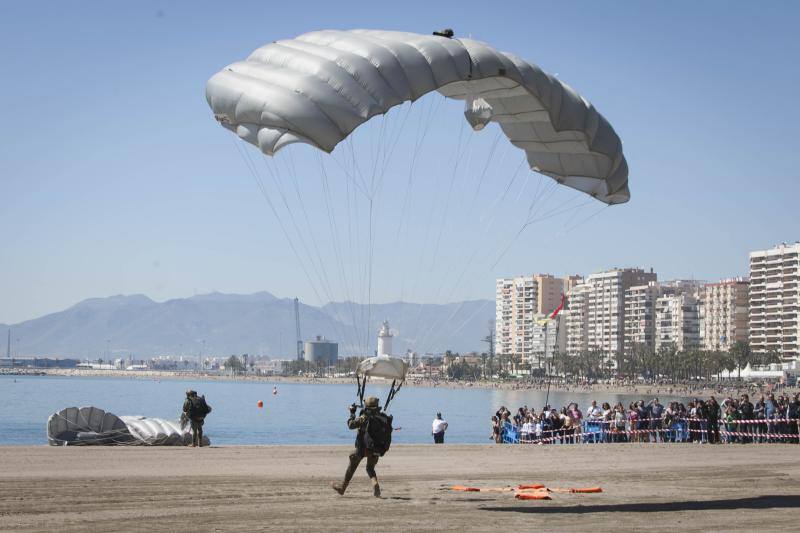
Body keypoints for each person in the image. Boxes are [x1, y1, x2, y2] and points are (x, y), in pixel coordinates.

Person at [332, 396, 392, 498]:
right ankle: (374, 483)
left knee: (352, 465)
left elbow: (351, 425)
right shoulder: (383, 417)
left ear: (367, 406)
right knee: (370, 468)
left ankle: (342, 488)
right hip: (377, 448)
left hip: (363, 448)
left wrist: (352, 413)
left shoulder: (364, 417)